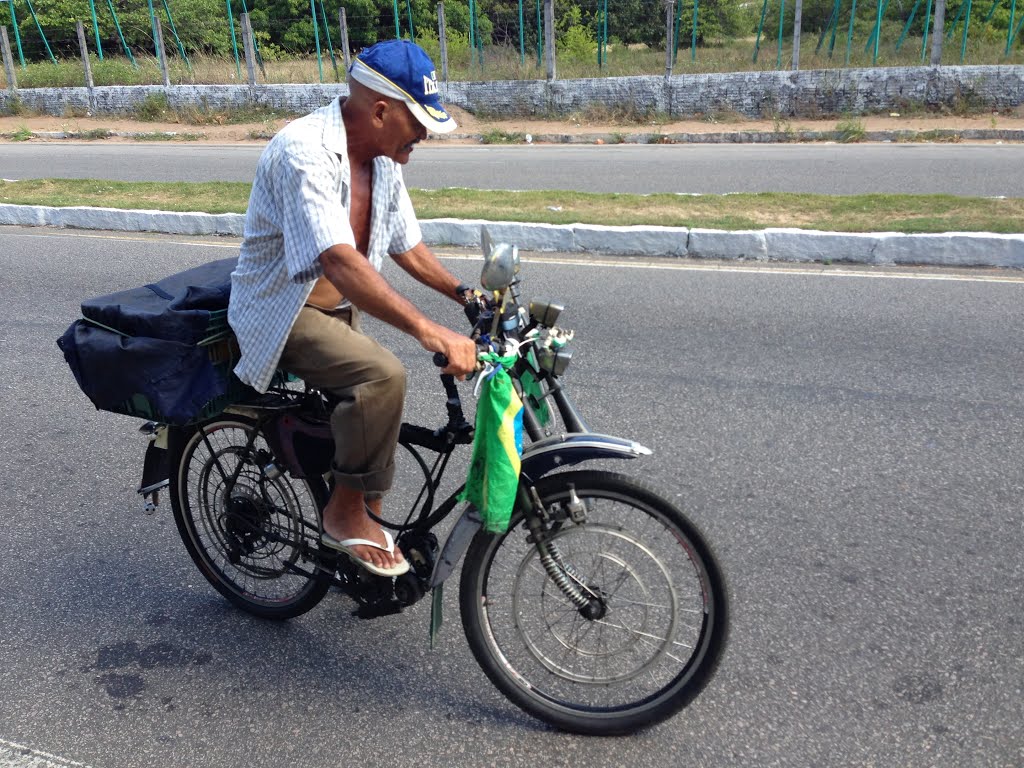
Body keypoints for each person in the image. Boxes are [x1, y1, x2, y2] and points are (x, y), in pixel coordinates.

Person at [228, 39, 478, 579]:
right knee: (380, 378)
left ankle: (366, 511)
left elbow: (405, 244)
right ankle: (345, 514)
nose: (424, 136)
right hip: (283, 312)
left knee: (374, 404)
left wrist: (466, 296)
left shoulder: (384, 158)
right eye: (419, 122)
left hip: (338, 309)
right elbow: (339, 261)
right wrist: (426, 329)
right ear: (381, 110)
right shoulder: (305, 150)